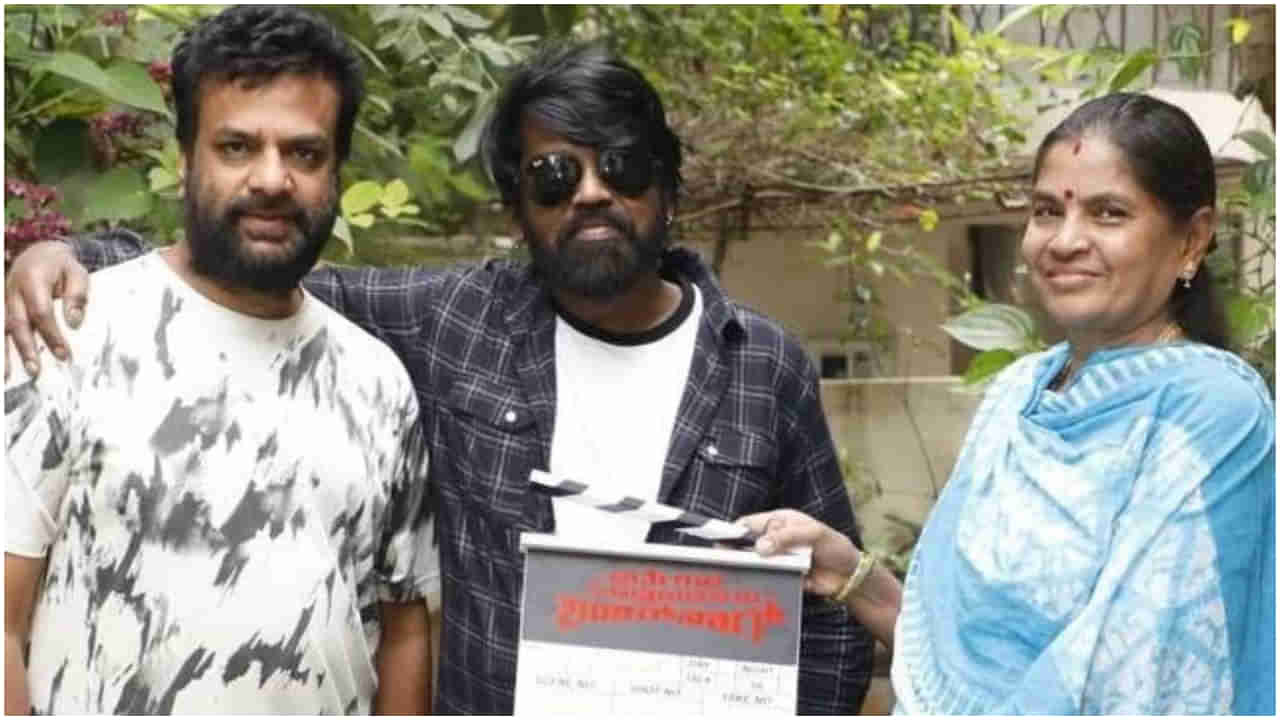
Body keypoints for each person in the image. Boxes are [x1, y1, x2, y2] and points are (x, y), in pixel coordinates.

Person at [5, 43, 874, 714]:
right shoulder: (457, 319)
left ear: (669, 188)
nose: (591, 193)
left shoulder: (764, 363)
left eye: (624, 166)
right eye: (553, 175)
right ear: (517, 208)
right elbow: (256, 263)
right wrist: (72, 255)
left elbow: (834, 605)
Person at [741, 92, 1276, 715]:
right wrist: (850, 574)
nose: (1065, 241)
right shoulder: (1016, 393)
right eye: (1047, 211)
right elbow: (956, 660)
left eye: (1108, 213)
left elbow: (1131, 676)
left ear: (1192, 239)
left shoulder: (1211, 412)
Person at [3, 6, 438, 714]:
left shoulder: (379, 381)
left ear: (335, 172)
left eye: (304, 154)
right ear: (185, 161)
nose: (272, 179)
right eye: (236, 147)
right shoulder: (69, 334)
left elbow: (405, 628)